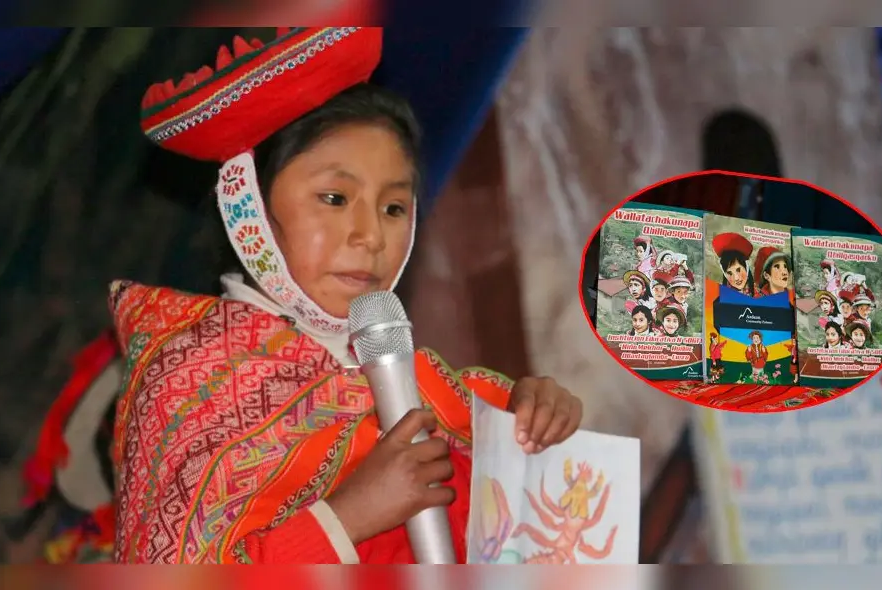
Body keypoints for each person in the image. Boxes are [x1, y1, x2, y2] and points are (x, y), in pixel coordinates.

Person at [114, 27, 584, 564]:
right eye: (335, 198)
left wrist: (531, 422)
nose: (371, 236)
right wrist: (345, 520)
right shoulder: (186, 381)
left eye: (394, 208)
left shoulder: (425, 391)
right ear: (249, 207)